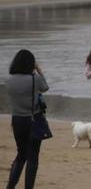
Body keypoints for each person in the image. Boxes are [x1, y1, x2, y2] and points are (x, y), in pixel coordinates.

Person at [6, 49, 48, 189]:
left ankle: (10, 186)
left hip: (17, 120)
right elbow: (45, 87)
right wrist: (39, 70)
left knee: (21, 155)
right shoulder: (34, 78)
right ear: (30, 63)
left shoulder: (9, 80)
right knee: (33, 158)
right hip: (32, 119)